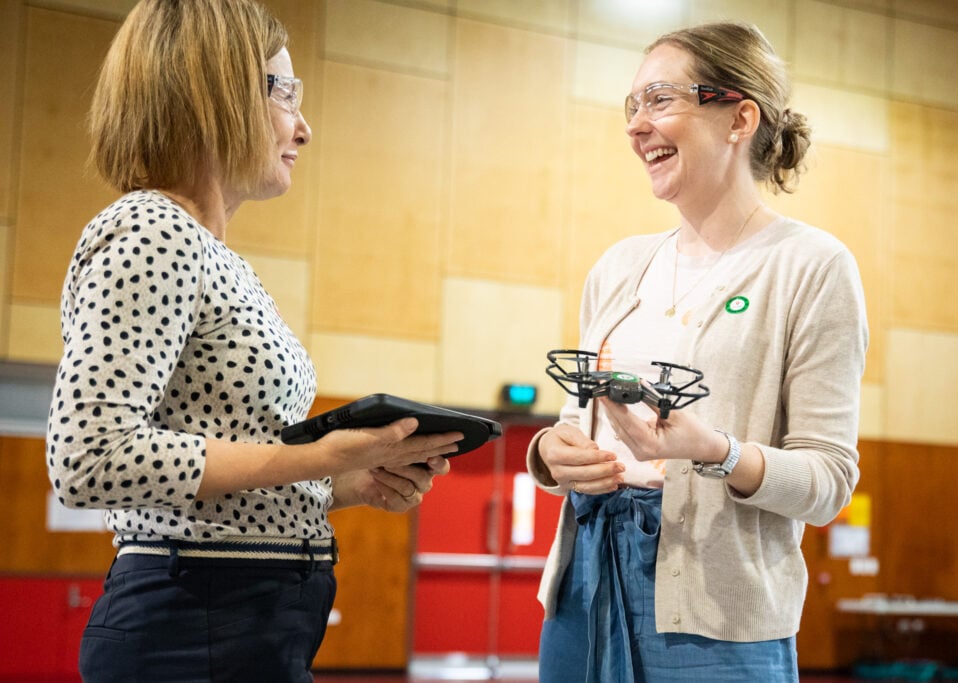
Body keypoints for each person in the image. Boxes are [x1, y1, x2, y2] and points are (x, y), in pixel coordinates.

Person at [45, 1, 461, 680]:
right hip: (194, 620)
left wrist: (341, 481)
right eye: (285, 92)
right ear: (217, 94)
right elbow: (90, 456)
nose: (304, 126)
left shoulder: (212, 254)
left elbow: (214, 475)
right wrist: (315, 457)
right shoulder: (152, 230)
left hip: (239, 617)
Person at [528, 22, 868, 682]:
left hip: (717, 615)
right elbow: (575, 426)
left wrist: (716, 451)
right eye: (633, 106)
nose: (636, 126)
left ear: (740, 117)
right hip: (584, 584)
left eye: (659, 99)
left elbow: (828, 482)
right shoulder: (617, 266)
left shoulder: (811, 266)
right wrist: (551, 452)